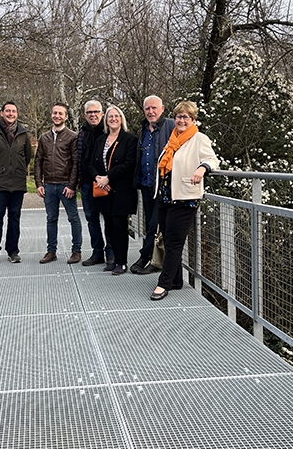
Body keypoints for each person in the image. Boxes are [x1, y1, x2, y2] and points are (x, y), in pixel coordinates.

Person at [150, 101, 219, 300]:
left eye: (185, 117)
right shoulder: (173, 139)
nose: (181, 120)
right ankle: (176, 280)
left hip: (185, 198)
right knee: (167, 237)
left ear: (193, 120)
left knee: (174, 242)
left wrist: (202, 168)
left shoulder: (199, 138)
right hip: (165, 196)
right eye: (179, 117)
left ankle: (163, 284)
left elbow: (213, 159)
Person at [0, 101, 33, 266]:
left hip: (17, 183)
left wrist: (18, 171)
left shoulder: (23, 134)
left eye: (13, 111)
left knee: (14, 218)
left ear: (17, 114)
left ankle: (13, 251)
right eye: (7, 111)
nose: (11, 114)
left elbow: (27, 156)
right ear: (1, 113)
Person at [89, 105, 138, 275]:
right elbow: (91, 164)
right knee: (108, 226)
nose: (113, 119)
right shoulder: (100, 140)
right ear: (106, 120)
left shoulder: (130, 139)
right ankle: (113, 260)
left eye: (116, 116)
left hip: (121, 190)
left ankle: (121, 262)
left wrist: (109, 176)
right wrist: (98, 178)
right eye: (110, 116)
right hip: (104, 191)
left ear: (121, 119)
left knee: (119, 226)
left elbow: (129, 164)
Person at [130, 95, 175, 275]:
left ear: (162, 108)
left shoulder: (170, 125)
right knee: (151, 222)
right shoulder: (143, 130)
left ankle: (147, 258)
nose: (151, 111)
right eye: (147, 108)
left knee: (155, 223)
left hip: (163, 185)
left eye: (154, 108)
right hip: (147, 184)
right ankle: (154, 259)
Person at [35, 103, 83, 264]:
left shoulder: (72, 136)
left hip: (65, 185)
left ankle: (76, 251)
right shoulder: (44, 137)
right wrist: (38, 183)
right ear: (51, 115)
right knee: (51, 219)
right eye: (54, 113)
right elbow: (38, 162)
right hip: (48, 185)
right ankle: (51, 251)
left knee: (73, 218)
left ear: (66, 116)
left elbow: (76, 163)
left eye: (60, 113)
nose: (57, 116)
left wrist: (71, 185)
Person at [77, 100, 114, 267]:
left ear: (102, 113)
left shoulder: (108, 132)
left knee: (109, 218)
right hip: (87, 182)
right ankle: (97, 252)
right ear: (85, 115)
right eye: (89, 112)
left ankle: (111, 253)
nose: (93, 115)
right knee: (92, 219)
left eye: (96, 112)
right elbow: (78, 158)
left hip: (105, 182)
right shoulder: (82, 134)